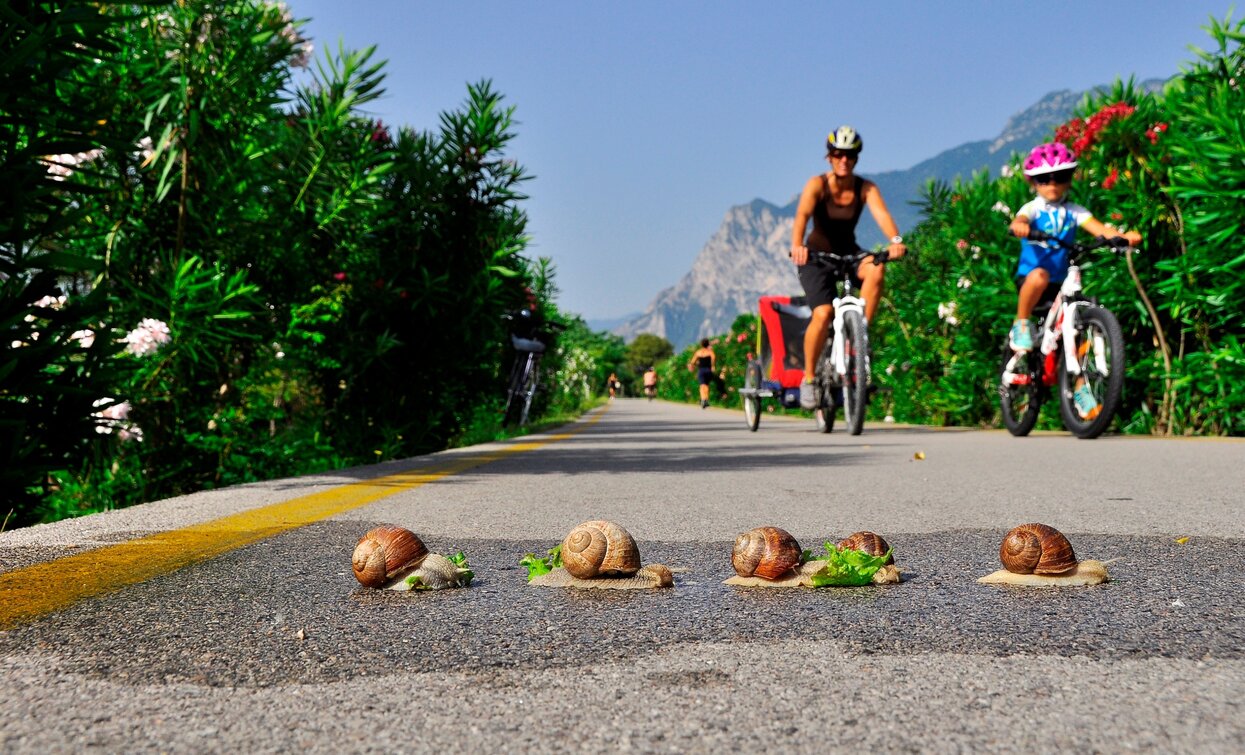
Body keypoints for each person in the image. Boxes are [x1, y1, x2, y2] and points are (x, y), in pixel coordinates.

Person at [1007, 141, 1141, 417]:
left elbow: (1099, 229)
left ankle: (1081, 388)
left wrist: (1122, 237)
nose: (1052, 184)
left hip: (1060, 280)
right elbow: (1020, 219)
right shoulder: (1033, 208)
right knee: (1039, 275)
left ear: (1070, 179)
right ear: (1033, 182)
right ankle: (1021, 323)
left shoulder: (1075, 210)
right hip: (1033, 279)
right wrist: (1020, 226)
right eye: (1044, 178)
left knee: (1075, 331)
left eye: (1061, 177)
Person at [790, 125, 908, 409]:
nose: (844, 160)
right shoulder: (817, 185)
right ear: (829, 157)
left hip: (849, 253)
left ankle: (860, 333)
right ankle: (808, 379)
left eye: (850, 155)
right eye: (838, 154)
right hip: (817, 257)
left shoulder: (865, 187)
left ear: (856, 158)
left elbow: (882, 214)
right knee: (823, 313)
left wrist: (895, 240)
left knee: (877, 268)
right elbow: (802, 215)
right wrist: (797, 245)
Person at [687, 339, 716, 408]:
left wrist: (691, 366)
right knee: (706, 385)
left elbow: (693, 361)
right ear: (708, 344)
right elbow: (713, 358)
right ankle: (705, 399)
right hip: (708, 370)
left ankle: (703, 399)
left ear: (701, 344)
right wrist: (713, 366)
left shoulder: (698, 352)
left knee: (702, 385)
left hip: (701, 370)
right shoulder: (710, 352)